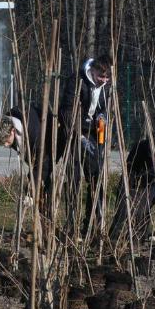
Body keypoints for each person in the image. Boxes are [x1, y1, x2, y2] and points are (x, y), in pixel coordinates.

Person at [58, 55, 112, 235]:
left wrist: (102, 115)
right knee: (74, 179)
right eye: (100, 77)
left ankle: (91, 223)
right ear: (93, 71)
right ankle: (71, 223)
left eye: (106, 77)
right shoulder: (77, 81)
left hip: (93, 132)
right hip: (73, 133)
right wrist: (79, 137)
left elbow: (102, 106)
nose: (103, 80)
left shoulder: (105, 86)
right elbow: (66, 112)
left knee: (96, 176)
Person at [0, 105, 66, 215]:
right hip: (35, 153)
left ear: (13, 131)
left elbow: (42, 163)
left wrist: (30, 191)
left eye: (6, 140)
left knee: (43, 182)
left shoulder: (34, 132)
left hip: (52, 146)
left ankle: (46, 218)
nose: (5, 144)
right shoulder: (7, 122)